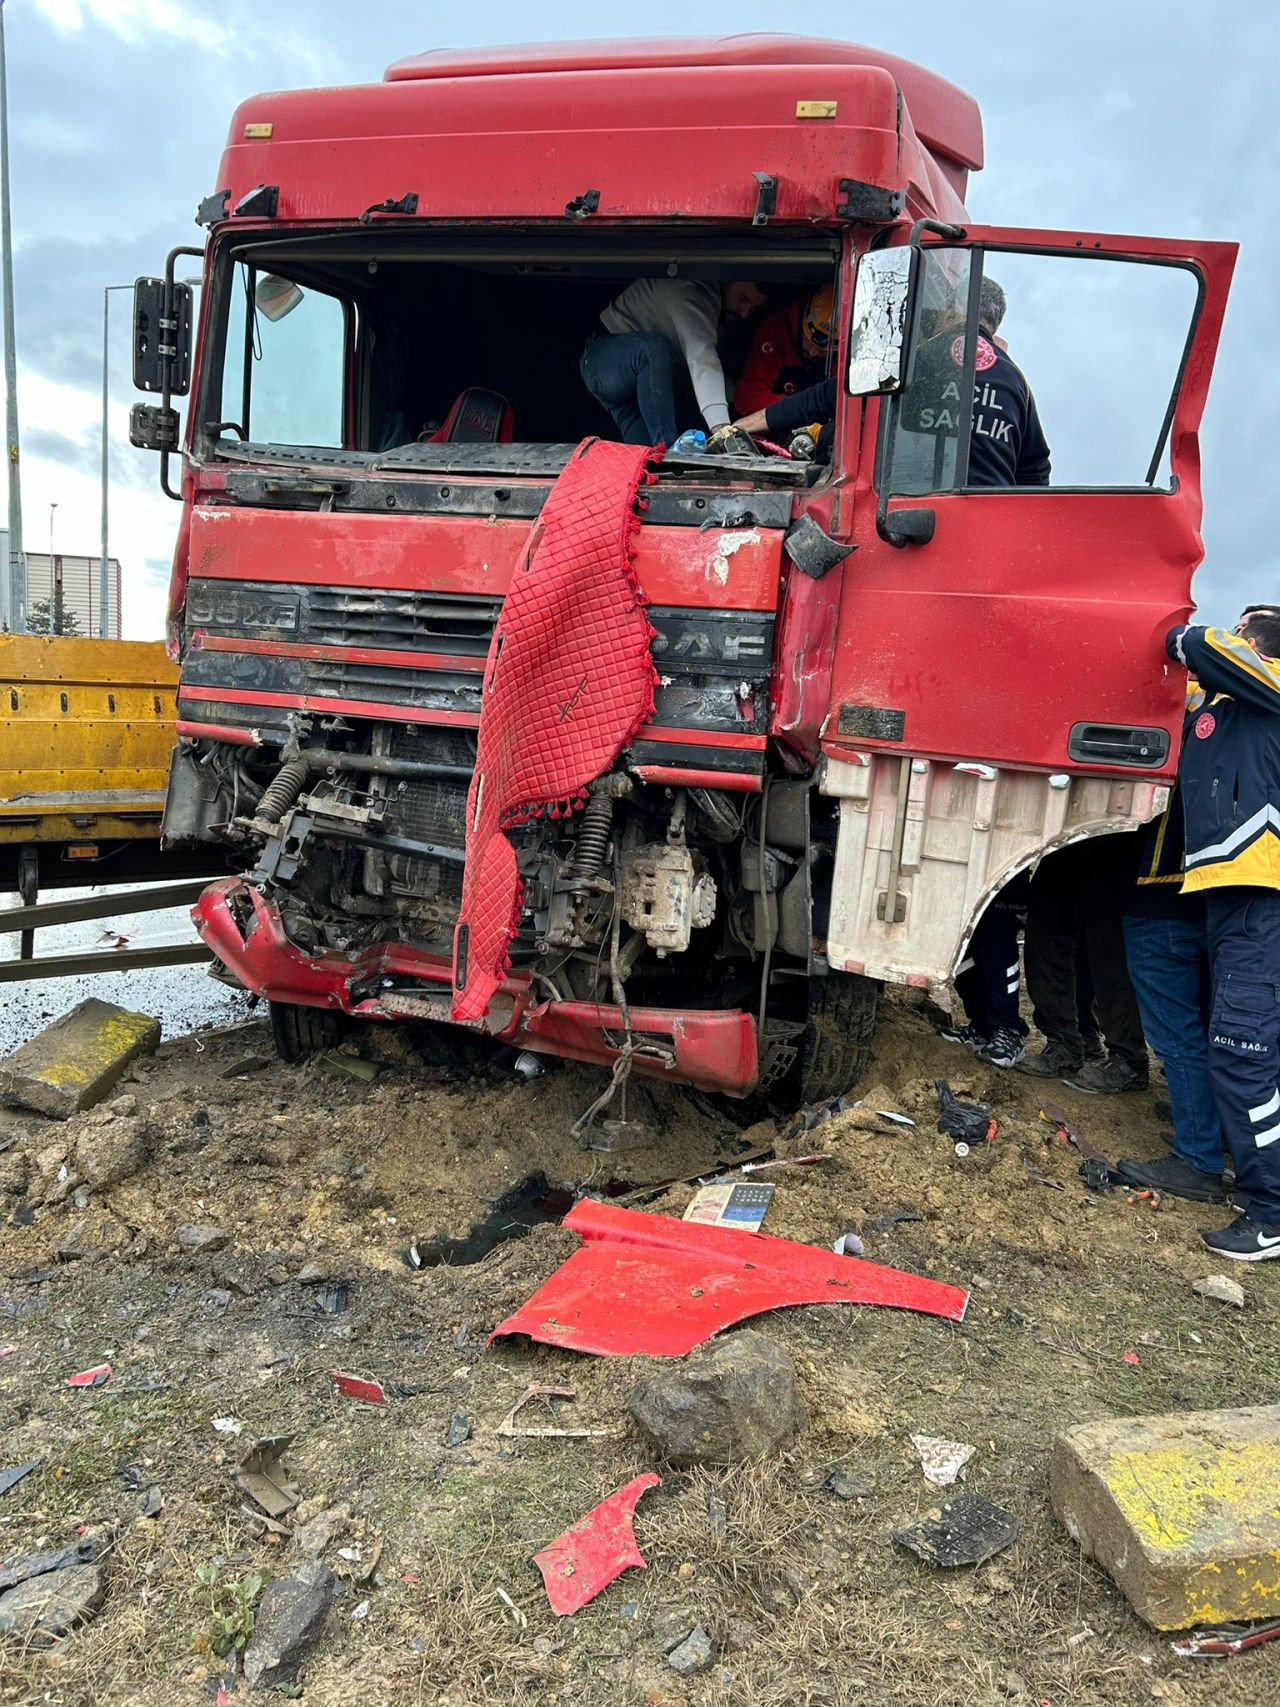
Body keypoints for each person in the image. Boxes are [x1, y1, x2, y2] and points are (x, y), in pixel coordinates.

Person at [1163, 607, 1280, 1259]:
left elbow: (1208, 647)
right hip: (1227, 894)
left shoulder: (1270, 681)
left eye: (1245, 628)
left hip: (1259, 895)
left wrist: (1181, 635)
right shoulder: (1235, 702)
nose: (1231, 635)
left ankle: (1271, 1211)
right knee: (1245, 1047)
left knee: (1242, 1053)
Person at [1114, 720, 1224, 1202]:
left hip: (1159, 903)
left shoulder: (1182, 727)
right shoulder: (1242, 729)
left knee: (1178, 1039)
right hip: (1218, 904)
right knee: (1211, 1030)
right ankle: (1212, 1131)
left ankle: (1198, 1159)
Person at [1015, 837, 1150, 1091]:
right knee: (1047, 929)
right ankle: (1067, 1041)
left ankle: (1129, 1059)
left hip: (1119, 832)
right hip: (1063, 835)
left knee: (1109, 947)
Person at [580, 278, 765, 447]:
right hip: (604, 359)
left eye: (754, 308)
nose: (744, 313)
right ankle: (666, 447)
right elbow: (702, 359)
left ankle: (660, 457)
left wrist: (757, 407)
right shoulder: (691, 294)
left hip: (636, 390)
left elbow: (709, 377)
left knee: (647, 461)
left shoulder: (714, 311)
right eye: (742, 299)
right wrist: (722, 429)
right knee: (654, 347)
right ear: (727, 280)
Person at [938, 871, 1030, 1068]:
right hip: (963, 870)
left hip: (1003, 868)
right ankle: (982, 1026)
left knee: (997, 944)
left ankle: (1008, 1030)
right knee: (961, 949)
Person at [733, 284, 835, 420]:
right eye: (810, 338)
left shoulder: (847, 354)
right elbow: (747, 396)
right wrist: (798, 409)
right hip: (774, 427)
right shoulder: (777, 327)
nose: (813, 352)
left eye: (825, 348)